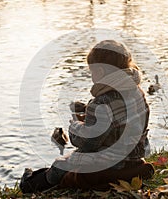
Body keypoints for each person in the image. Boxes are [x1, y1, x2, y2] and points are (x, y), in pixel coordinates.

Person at [20, 40, 154, 193]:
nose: (91, 75)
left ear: (100, 71)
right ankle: (136, 171)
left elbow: (88, 143)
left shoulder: (100, 103)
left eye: (92, 71)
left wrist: (75, 126)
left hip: (110, 162)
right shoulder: (138, 92)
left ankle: (29, 184)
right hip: (134, 156)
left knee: (61, 164)